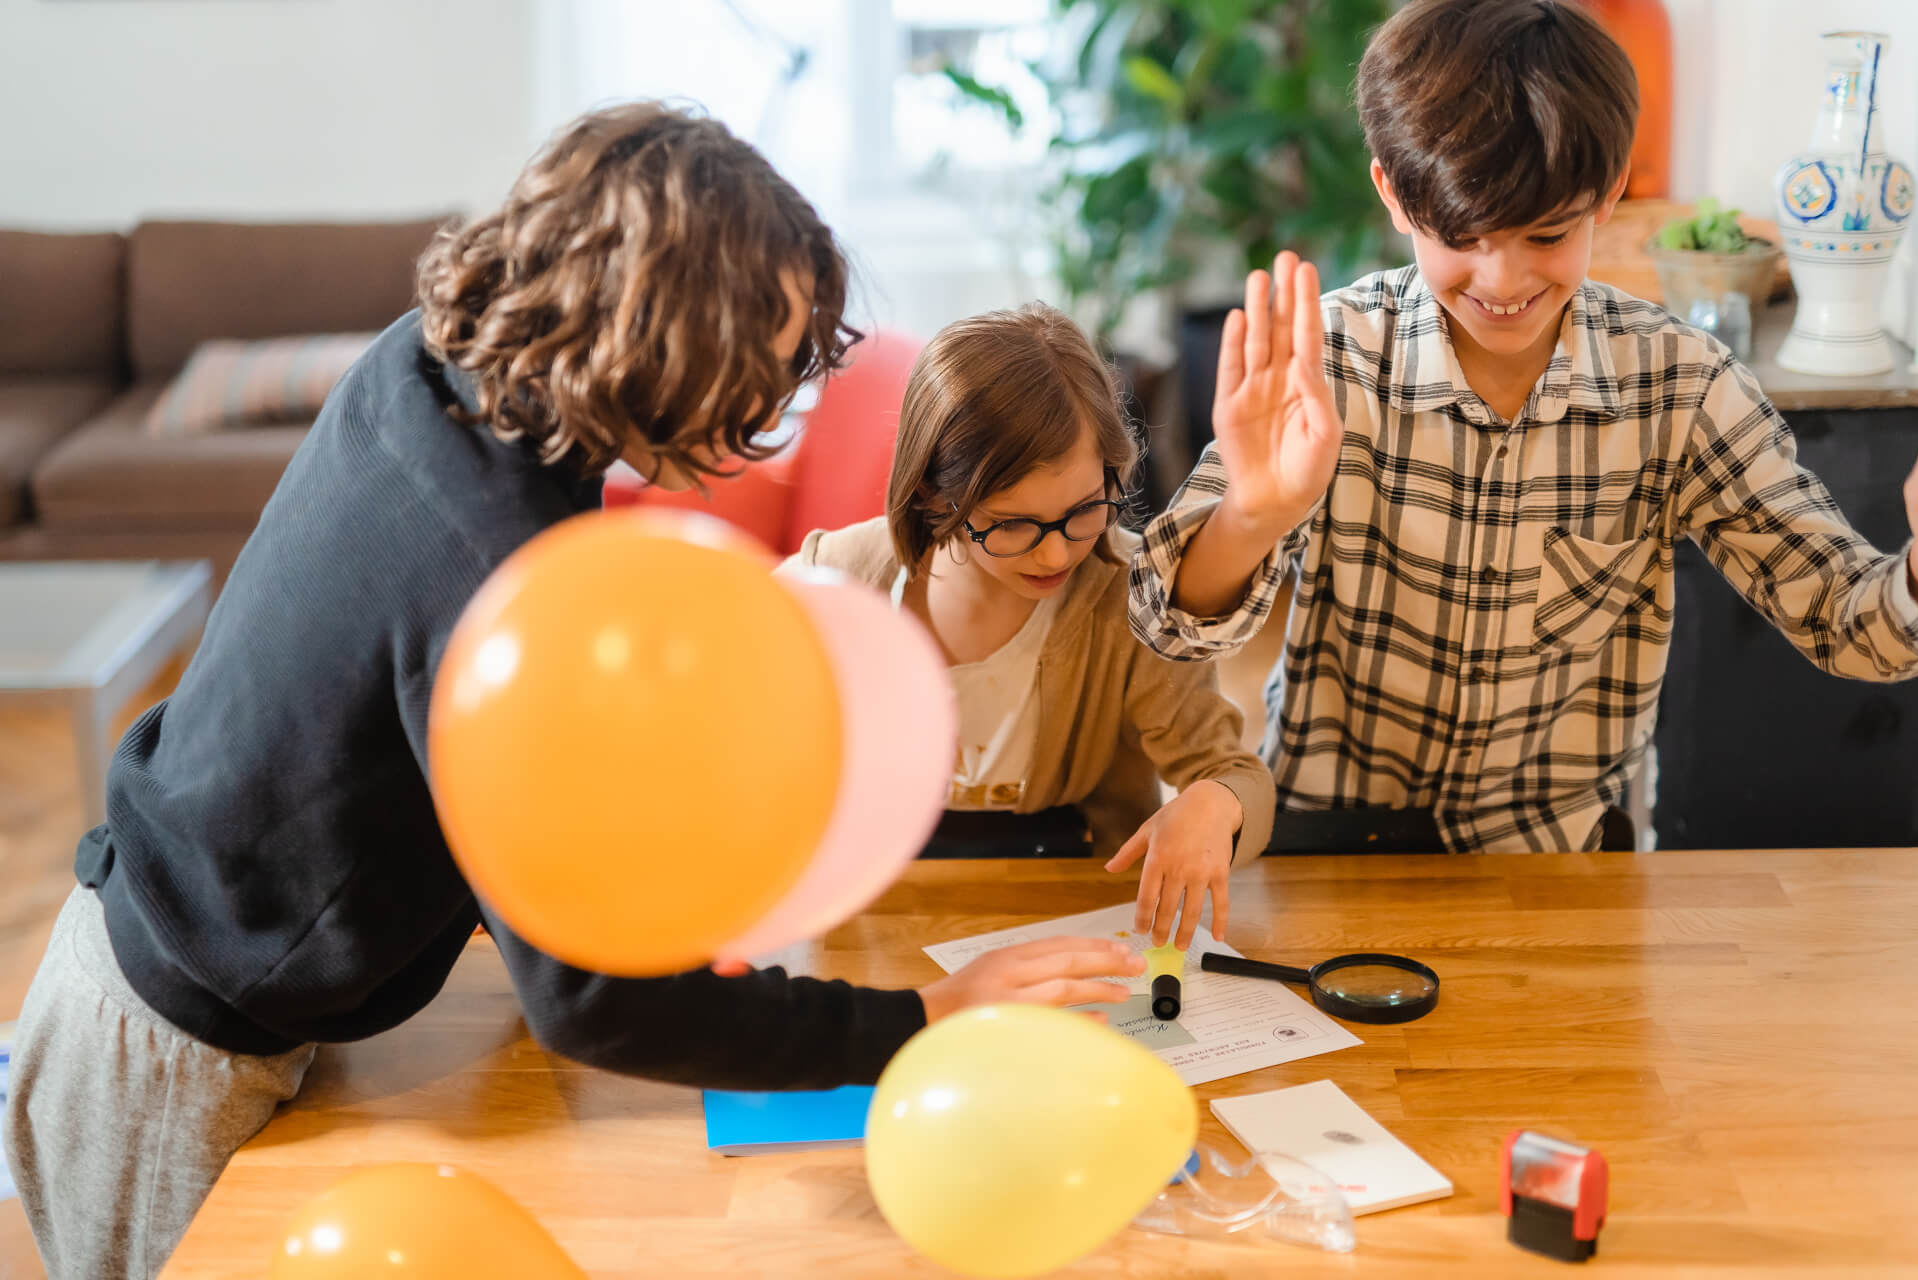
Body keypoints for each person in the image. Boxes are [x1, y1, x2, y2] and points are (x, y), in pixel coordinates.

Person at [1, 103, 1140, 1280]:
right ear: (644, 330)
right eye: (745, 371)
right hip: (165, 1052)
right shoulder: (493, 555)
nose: (761, 423)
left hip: (183, 971)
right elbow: (591, 1000)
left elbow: (453, 755)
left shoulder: (440, 373)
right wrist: (915, 1025)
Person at [1128, 0, 1918, 854]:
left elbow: (1852, 627)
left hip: (1556, 859)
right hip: (1326, 842)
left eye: (1547, 233)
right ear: (1394, 194)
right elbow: (1166, 625)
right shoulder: (1330, 360)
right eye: (1463, 236)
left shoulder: (1681, 386)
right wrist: (1252, 515)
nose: (1502, 279)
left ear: (1609, 192)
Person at [788, 303, 1274, 947]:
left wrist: (1217, 806)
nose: (1055, 554)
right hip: (880, 925)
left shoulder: (1139, 594)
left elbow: (1235, 774)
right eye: (1013, 524)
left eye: (1083, 511)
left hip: (1073, 912)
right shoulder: (837, 582)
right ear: (935, 494)